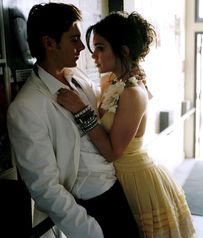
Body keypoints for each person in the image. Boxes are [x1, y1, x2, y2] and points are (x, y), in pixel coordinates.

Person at [57, 11, 196, 238]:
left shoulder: (133, 92)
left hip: (136, 180)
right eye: (94, 49)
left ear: (123, 51)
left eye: (100, 48)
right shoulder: (110, 80)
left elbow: (113, 152)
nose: (94, 56)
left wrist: (80, 110)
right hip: (112, 179)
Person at [7, 3, 140, 238]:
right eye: (74, 39)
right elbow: (45, 188)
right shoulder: (25, 108)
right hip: (88, 212)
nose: (82, 47)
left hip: (117, 194)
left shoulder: (77, 77)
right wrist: (92, 231)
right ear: (49, 43)